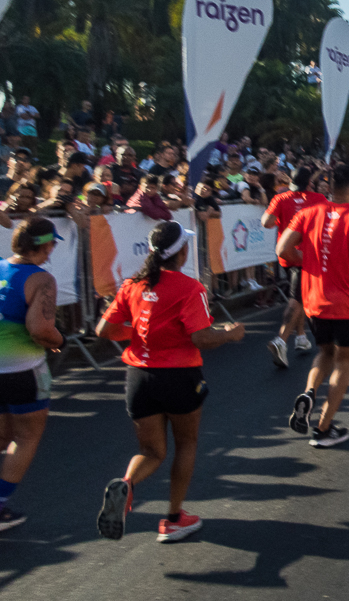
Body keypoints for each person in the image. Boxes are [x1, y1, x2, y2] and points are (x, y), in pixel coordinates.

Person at [95, 221, 245, 542]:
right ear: (183, 252)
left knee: (151, 450)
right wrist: (230, 335)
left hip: (139, 377)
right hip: (178, 376)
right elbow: (201, 338)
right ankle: (175, 519)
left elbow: (103, 331)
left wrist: (135, 333)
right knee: (186, 444)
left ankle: (127, 484)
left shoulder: (132, 284)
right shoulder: (190, 288)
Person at [277, 163, 349, 448]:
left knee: (324, 354)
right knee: (344, 361)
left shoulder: (308, 213)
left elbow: (282, 250)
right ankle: (323, 429)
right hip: (346, 303)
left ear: (327, 187)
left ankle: (309, 392)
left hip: (314, 302)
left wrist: (307, 261)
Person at [0, 218, 66, 531]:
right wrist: (59, 341)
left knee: (2, 434)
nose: (53, 249)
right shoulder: (41, 279)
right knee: (26, 438)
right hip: (23, 369)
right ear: (44, 245)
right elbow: (39, 329)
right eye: (52, 243)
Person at [262, 166, 326, 367]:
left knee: (298, 296)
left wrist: (284, 218)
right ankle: (281, 340)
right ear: (309, 183)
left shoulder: (281, 198)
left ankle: (300, 337)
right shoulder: (319, 199)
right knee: (297, 299)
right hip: (307, 256)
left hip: (287, 254)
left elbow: (267, 222)